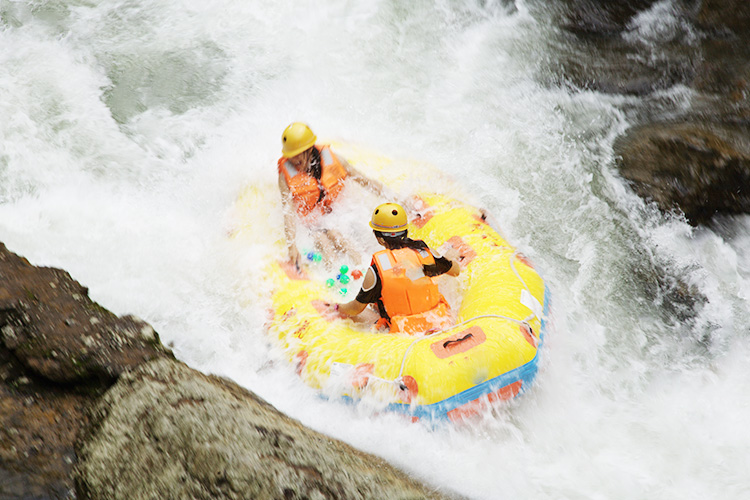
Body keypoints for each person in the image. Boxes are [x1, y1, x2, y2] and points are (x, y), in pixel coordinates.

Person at [333, 202, 460, 335]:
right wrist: (448, 258)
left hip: (404, 332)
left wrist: (337, 307)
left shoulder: (377, 270)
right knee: (375, 302)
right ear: (406, 231)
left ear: (380, 240)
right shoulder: (426, 252)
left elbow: (355, 308)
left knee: (366, 307)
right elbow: (455, 271)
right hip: (438, 321)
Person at [277, 122, 388, 268]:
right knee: (321, 239)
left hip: (335, 214)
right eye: (291, 157)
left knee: (337, 236)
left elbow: (364, 180)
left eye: (297, 156)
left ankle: (365, 270)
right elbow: (288, 211)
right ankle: (335, 277)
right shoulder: (285, 176)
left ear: (309, 150)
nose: (294, 161)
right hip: (311, 223)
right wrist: (292, 246)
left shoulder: (332, 159)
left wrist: (395, 197)